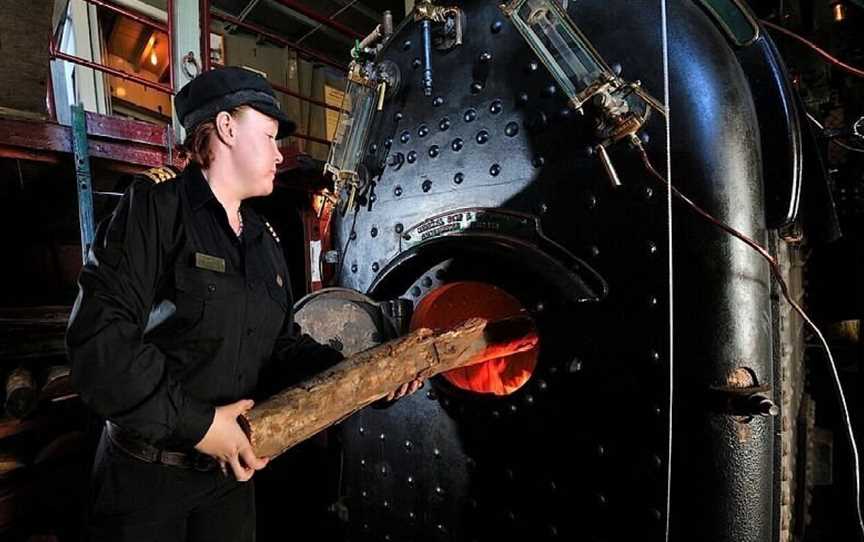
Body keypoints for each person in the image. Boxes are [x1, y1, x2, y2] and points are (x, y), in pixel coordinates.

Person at [65, 66, 422, 542]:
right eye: (271, 135)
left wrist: (365, 376)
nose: (279, 153)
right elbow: (100, 345)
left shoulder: (263, 239)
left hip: (228, 483)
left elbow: (280, 351)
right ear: (228, 128)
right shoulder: (156, 210)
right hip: (143, 483)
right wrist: (204, 426)